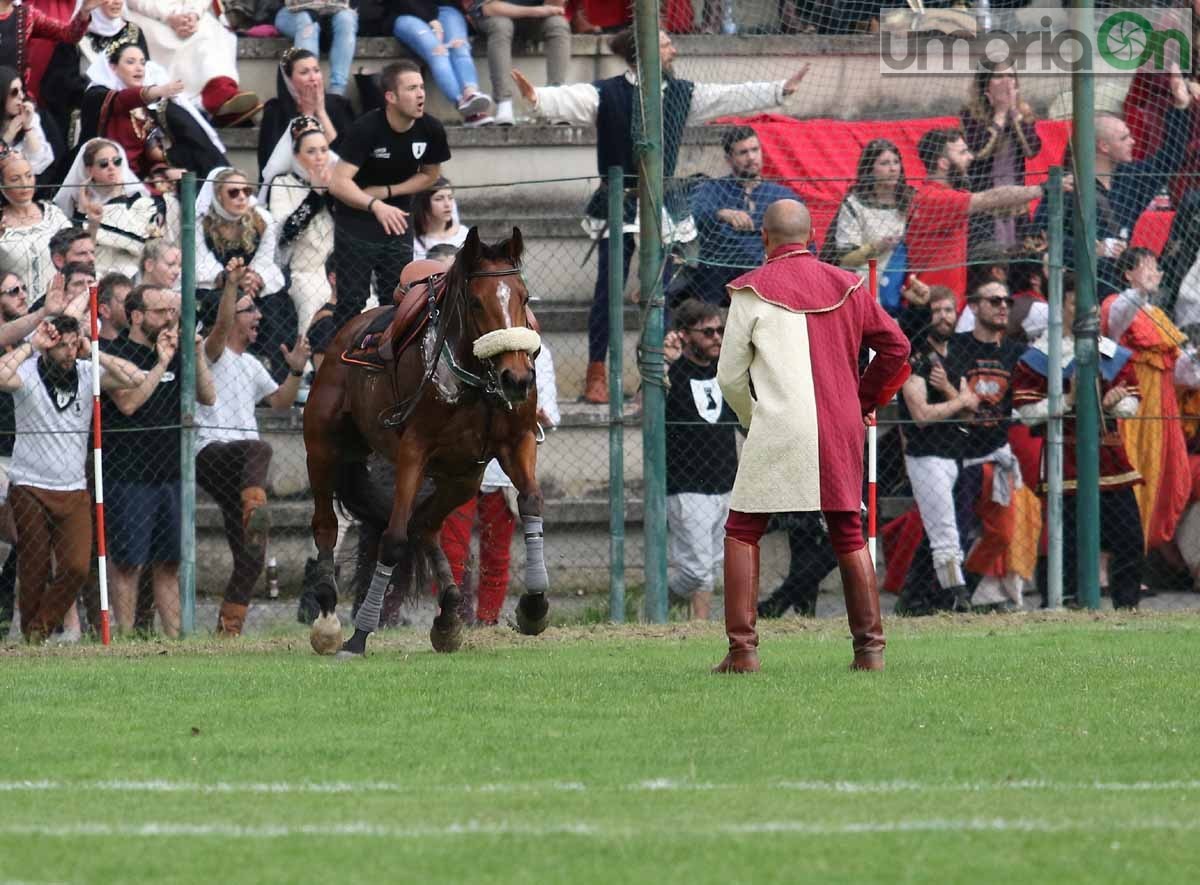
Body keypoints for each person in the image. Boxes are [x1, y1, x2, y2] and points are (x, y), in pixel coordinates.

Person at [512, 28, 812, 403]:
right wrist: (536, 98)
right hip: (617, 202)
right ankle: (596, 374)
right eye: (667, 44)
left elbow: (730, 95)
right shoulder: (607, 92)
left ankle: (655, 374)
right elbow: (568, 99)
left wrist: (778, 89)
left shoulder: (683, 93)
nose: (674, 49)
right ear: (646, 52)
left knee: (662, 294)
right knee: (608, 292)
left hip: (662, 206)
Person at [714, 199, 910, 673]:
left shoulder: (749, 292)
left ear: (765, 239)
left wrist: (750, 417)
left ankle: (743, 652)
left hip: (777, 423)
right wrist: (863, 400)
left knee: (744, 528)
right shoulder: (849, 285)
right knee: (847, 530)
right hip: (840, 424)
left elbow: (730, 379)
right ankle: (870, 651)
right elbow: (898, 347)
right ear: (813, 235)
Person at [0, 314, 141, 642]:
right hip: (30, 485)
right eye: (59, 345)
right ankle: (30, 635)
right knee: (33, 568)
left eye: (70, 344)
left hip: (73, 487)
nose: (66, 352)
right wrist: (31, 347)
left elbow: (132, 377)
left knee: (77, 567)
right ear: (48, 346)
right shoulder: (28, 372)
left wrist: (95, 351)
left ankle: (40, 629)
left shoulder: (87, 372)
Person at [198, 258, 311, 636]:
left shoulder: (250, 363)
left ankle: (228, 629)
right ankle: (255, 510)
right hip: (212, 451)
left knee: (252, 556)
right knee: (259, 448)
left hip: (244, 469)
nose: (258, 316)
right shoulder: (211, 352)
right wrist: (231, 286)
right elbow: (219, 328)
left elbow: (279, 402)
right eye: (250, 310)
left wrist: (296, 370)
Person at [1013, 286, 1144, 609]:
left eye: (1093, 305)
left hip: (1111, 459)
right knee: (1063, 540)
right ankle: (1064, 603)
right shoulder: (1041, 355)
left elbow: (1133, 400)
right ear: (1061, 307)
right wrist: (1067, 401)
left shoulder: (1110, 351)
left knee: (1129, 537)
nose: (1089, 311)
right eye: (1078, 302)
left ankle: (1127, 608)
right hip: (1064, 458)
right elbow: (1027, 412)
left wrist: (1117, 403)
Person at [101, 283, 215, 636]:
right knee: (128, 564)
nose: (170, 319)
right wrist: (161, 362)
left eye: (173, 311)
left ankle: (176, 637)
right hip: (128, 474)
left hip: (171, 472)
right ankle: (125, 635)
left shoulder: (179, 350)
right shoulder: (115, 353)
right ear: (136, 316)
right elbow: (129, 403)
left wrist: (194, 355)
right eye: (161, 312)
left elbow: (208, 396)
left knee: (169, 562)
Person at [328, 60, 450, 330]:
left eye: (421, 87)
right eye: (411, 88)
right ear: (391, 97)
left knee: (398, 299)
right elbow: (338, 183)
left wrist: (387, 193)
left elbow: (429, 174)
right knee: (352, 301)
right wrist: (375, 205)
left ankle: (389, 363)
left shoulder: (431, 129)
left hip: (397, 218)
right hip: (355, 221)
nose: (420, 94)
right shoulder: (366, 129)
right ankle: (344, 364)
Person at [1101, 247, 1200, 552]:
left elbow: (1182, 372)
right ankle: (1111, 563)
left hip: (1161, 415)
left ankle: (1135, 559)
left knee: (1157, 483)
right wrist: (1138, 291)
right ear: (1127, 273)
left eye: (1155, 266)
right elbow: (1115, 326)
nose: (1154, 272)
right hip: (1129, 410)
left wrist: (1195, 357)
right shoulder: (1116, 304)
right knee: (1125, 483)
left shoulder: (1158, 315)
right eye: (1145, 265)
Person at [899, 284, 981, 612]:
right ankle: (957, 597)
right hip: (926, 455)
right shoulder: (916, 359)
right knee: (944, 528)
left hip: (955, 452)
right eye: (937, 311)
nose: (944, 317)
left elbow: (971, 407)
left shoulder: (957, 354)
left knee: (951, 526)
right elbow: (920, 416)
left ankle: (915, 596)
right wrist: (959, 400)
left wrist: (952, 394)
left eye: (949, 310)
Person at [907, 127, 1053, 306]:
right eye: (962, 152)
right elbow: (989, 198)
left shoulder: (945, 194)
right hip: (931, 305)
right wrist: (1041, 189)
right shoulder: (934, 197)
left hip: (946, 301)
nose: (970, 157)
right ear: (943, 164)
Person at [659, 298, 737, 621]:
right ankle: (656, 602)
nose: (717, 337)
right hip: (687, 486)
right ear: (684, 335)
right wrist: (666, 363)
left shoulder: (726, 371)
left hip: (724, 483)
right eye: (707, 332)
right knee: (696, 567)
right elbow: (643, 404)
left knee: (712, 564)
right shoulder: (673, 372)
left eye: (719, 330)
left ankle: (699, 625)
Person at [79, 42, 228, 178]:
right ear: (113, 67)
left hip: (137, 177)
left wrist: (162, 170)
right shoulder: (97, 95)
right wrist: (156, 91)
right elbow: (121, 100)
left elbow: (148, 155)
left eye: (143, 63)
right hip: (102, 175)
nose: (139, 68)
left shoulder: (145, 108)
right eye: (130, 62)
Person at [687, 127, 798, 306]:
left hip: (767, 281)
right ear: (729, 159)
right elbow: (694, 214)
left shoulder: (781, 195)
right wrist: (722, 213)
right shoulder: (713, 189)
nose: (751, 157)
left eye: (755, 150)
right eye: (743, 152)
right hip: (717, 283)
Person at [194, 168, 287, 373]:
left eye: (246, 190)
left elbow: (266, 259)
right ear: (218, 195)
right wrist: (230, 280)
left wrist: (253, 278)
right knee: (220, 305)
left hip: (252, 285)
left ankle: (273, 368)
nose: (242, 197)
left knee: (274, 305)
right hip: (215, 286)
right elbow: (200, 262)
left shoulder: (262, 219)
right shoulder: (201, 221)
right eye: (233, 192)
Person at [122, 0, 260, 124]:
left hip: (188, 14)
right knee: (171, 37)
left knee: (211, 31)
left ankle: (220, 92)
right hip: (150, 15)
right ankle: (212, 103)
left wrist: (193, 14)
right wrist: (170, 17)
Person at [825, 138, 914, 315]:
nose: (893, 168)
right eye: (885, 163)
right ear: (870, 169)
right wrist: (878, 247)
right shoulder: (855, 205)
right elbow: (845, 259)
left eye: (896, 162)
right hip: (865, 286)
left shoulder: (911, 201)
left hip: (903, 287)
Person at [265, 118, 335, 341]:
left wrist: (331, 193)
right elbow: (285, 234)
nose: (320, 157)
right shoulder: (282, 183)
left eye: (324, 150)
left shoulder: (338, 181)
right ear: (296, 156)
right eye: (311, 151)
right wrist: (315, 195)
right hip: (303, 273)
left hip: (339, 274)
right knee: (311, 301)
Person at [960, 62, 1042, 251]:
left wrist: (1013, 113)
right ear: (985, 83)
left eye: (1011, 76)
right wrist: (999, 114)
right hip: (984, 209)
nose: (1006, 82)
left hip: (1016, 206)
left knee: (1019, 261)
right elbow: (977, 152)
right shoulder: (970, 115)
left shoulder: (1022, 113)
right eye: (998, 77)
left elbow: (1032, 150)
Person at [54, 138, 160, 279]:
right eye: (104, 164)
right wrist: (84, 216)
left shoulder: (140, 201)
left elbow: (135, 243)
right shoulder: (76, 208)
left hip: (132, 277)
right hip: (92, 278)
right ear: (89, 170)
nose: (112, 167)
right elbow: (78, 251)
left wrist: (118, 198)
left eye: (116, 162)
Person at [256, 48, 354, 178]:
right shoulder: (275, 111)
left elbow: (345, 157)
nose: (313, 78)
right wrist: (307, 116)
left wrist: (321, 112)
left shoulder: (338, 105)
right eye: (304, 72)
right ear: (289, 80)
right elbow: (276, 163)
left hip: (335, 182)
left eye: (316, 70)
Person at [392, 0, 494, 125]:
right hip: (407, 13)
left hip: (445, 9)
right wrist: (429, 19)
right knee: (437, 52)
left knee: (460, 47)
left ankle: (471, 94)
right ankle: (462, 103)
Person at [474, 0, 569, 126]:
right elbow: (489, 8)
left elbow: (555, 7)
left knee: (558, 24)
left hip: (533, 19)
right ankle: (504, 103)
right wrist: (538, 11)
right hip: (496, 16)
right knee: (501, 25)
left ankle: (555, 101)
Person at [0, 154, 72, 307]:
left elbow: (77, 253)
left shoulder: (53, 215)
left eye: (28, 176)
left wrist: (93, 222)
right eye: (15, 179)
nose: (25, 183)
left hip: (59, 308)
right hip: (14, 313)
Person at [275, 0, 358, 99]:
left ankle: (337, 94)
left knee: (346, 20)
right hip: (293, 12)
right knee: (307, 20)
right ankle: (310, 94)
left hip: (335, 12)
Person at [0, 67, 55, 179]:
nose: (21, 96)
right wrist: (7, 138)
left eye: (22, 90)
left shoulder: (29, 117)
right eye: (14, 92)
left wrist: (28, 128)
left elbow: (39, 163)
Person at [412, 177, 468, 260]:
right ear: (424, 203)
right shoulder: (414, 241)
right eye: (439, 199)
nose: (447, 204)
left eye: (450, 197)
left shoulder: (463, 234)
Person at [96, 271, 133, 340]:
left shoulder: (138, 341)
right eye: (126, 302)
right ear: (105, 310)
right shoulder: (94, 346)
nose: (133, 307)